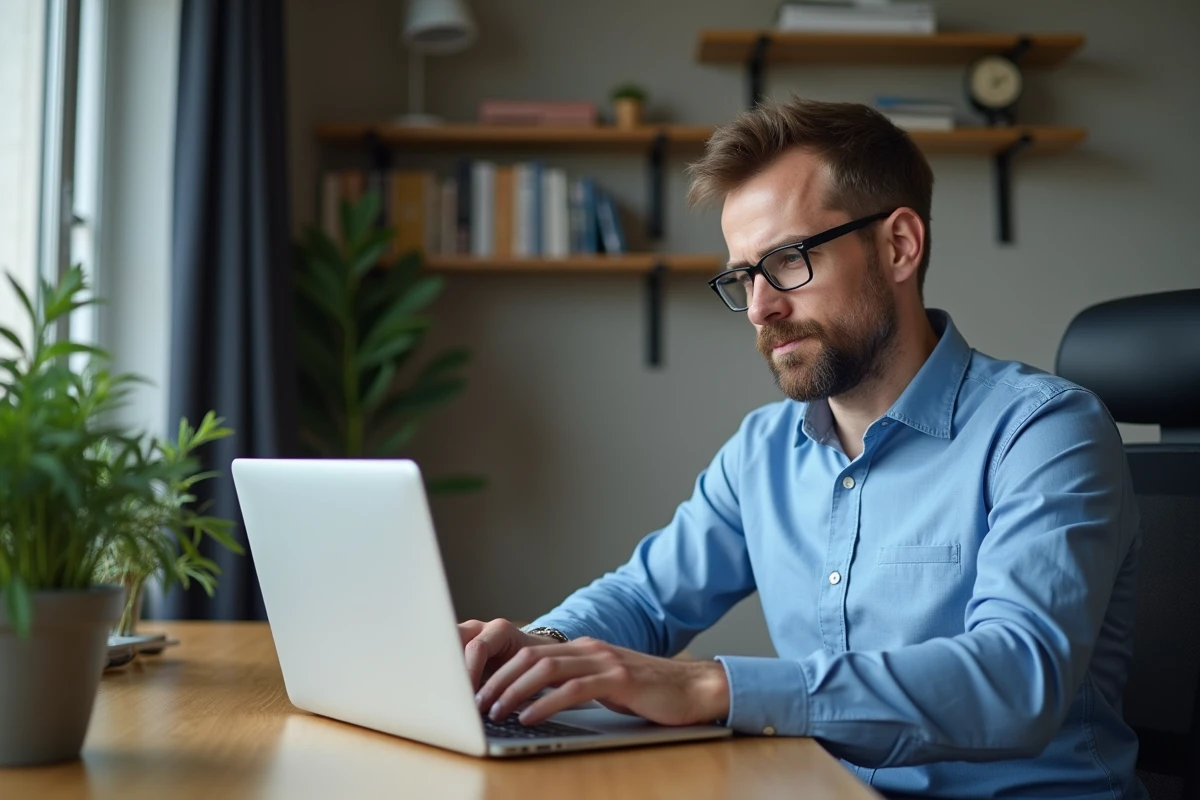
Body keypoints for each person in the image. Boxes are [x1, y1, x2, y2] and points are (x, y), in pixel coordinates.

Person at [458, 97, 1143, 799]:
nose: (759, 307)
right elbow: (645, 599)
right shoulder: (764, 449)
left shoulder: (1046, 432)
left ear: (899, 246)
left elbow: (1015, 680)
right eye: (743, 275)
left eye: (786, 261)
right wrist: (534, 649)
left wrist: (712, 685)